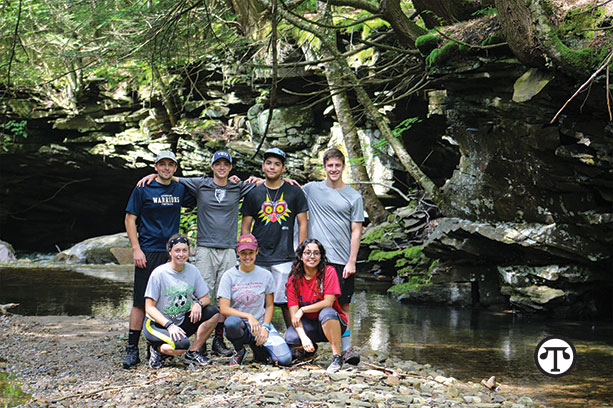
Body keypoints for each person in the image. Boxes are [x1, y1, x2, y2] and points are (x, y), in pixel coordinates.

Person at [137, 150, 255, 357]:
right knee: (202, 294)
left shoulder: (237, 186)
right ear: (211, 167)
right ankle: (199, 343)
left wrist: (266, 178)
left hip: (228, 248)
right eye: (217, 164)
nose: (221, 167)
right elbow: (171, 176)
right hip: (205, 248)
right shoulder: (201, 184)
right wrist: (152, 176)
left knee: (223, 295)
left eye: (225, 164)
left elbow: (268, 183)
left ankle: (218, 339)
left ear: (230, 167)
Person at [123, 151, 195, 369]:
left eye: (170, 165)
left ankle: (155, 342)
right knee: (140, 301)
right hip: (148, 250)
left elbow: (207, 189)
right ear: (155, 166)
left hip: (171, 252)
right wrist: (136, 249)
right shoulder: (143, 188)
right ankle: (131, 348)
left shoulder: (180, 188)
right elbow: (130, 218)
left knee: (168, 298)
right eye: (162, 164)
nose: (166, 168)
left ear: (175, 168)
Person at [301, 148, 363, 365]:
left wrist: (352, 261)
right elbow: (286, 188)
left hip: (341, 259)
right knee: (313, 302)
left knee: (343, 305)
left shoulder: (354, 196)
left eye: (338, 165)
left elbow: (356, 230)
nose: (334, 169)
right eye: (330, 166)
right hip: (315, 260)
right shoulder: (311, 189)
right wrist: (260, 181)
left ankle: (346, 349)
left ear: (343, 166)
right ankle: (307, 344)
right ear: (324, 167)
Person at [241, 147, 308, 328]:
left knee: (287, 300)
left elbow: (303, 223)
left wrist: (300, 252)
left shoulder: (294, 192)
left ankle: (294, 339)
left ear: (283, 168)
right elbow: (246, 225)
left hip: (285, 254)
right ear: (263, 166)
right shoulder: (254, 193)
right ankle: (258, 340)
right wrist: (246, 252)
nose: (272, 167)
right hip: (259, 256)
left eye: (277, 164)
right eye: (269, 163)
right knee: (258, 300)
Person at [143, 234, 220, 369]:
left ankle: (193, 352)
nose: (181, 254)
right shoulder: (159, 273)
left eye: (184, 250)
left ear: (189, 252)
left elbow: (206, 298)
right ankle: (156, 349)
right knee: (180, 347)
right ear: (170, 252)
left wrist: (198, 304)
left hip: (179, 321)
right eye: (177, 250)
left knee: (213, 312)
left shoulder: (193, 270)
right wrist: (169, 325)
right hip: (157, 325)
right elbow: (149, 307)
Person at [217, 234, 292, 366]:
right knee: (231, 323)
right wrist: (248, 316)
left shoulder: (265, 275)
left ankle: (259, 349)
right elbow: (224, 308)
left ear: (257, 252)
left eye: (251, 253)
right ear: (237, 252)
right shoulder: (228, 276)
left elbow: (269, 306)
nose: (247, 257)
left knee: (284, 360)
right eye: (243, 253)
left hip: (261, 325)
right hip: (241, 325)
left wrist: (266, 327)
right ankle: (239, 350)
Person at [284, 239, 347, 373]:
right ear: (301, 257)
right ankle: (309, 352)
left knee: (327, 312)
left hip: (333, 322)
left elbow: (328, 302)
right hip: (310, 325)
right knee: (291, 337)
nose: (312, 256)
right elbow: (294, 316)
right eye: (307, 253)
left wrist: (303, 309)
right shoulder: (293, 281)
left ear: (321, 256)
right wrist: (304, 337)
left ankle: (337, 357)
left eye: (316, 253)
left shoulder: (329, 272)